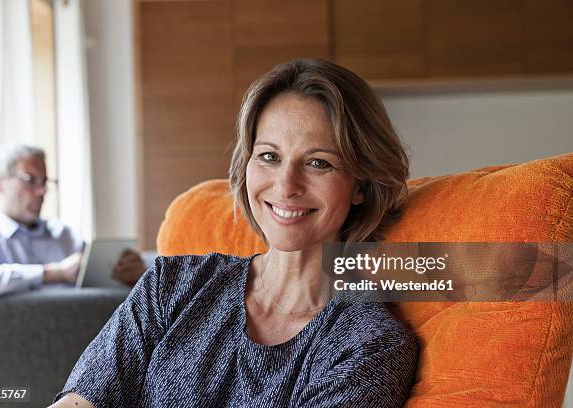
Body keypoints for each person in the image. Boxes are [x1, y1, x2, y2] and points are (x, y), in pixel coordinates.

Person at [51, 59, 417, 407]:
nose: (285, 186)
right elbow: (80, 399)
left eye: (318, 163)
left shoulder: (370, 345)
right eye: (269, 157)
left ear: (361, 186)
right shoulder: (171, 283)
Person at [0, 145, 145, 301]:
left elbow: (99, 286)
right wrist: (51, 273)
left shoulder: (65, 235)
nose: (42, 191)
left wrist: (134, 274)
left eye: (44, 182)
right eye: (30, 180)